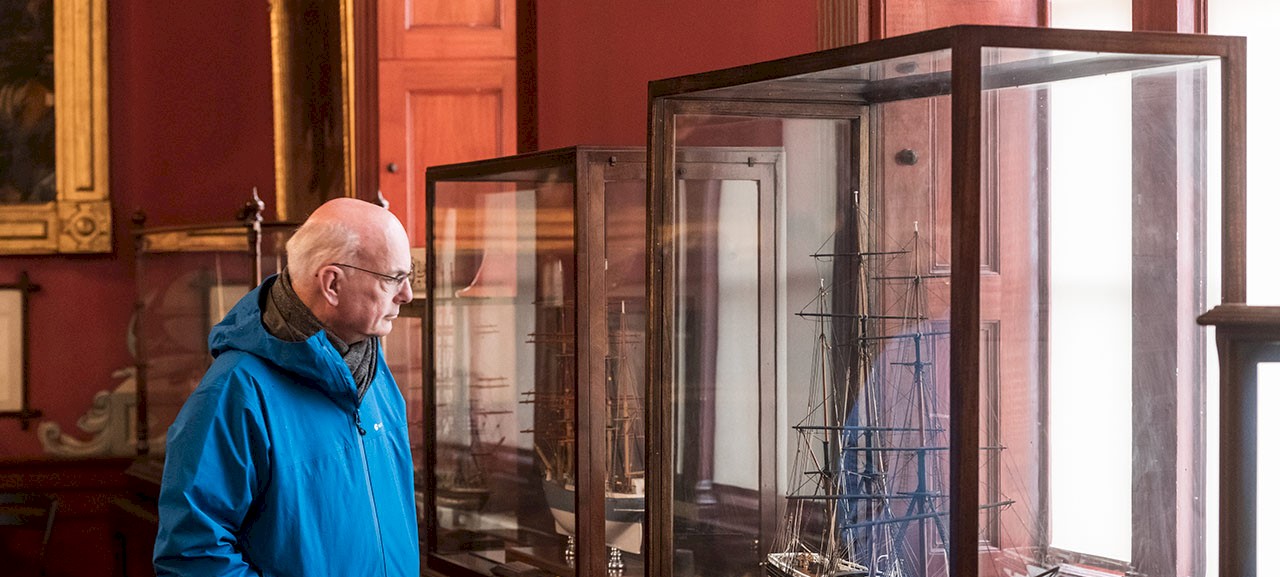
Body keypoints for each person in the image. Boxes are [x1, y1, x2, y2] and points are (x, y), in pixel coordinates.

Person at [153, 197, 420, 576]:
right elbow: (193, 556)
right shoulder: (235, 391)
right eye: (394, 277)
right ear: (332, 283)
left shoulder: (375, 374)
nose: (406, 294)